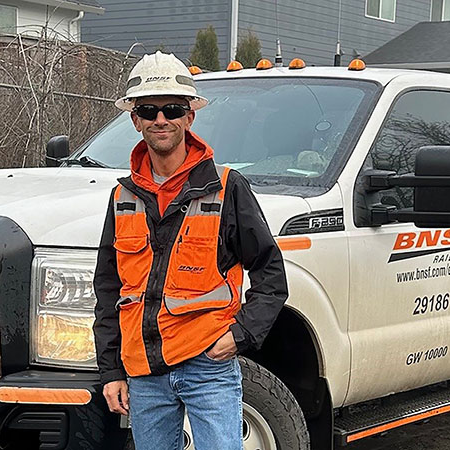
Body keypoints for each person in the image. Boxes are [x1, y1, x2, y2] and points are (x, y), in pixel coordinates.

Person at [93, 51, 288, 450]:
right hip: (144, 372)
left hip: (208, 364)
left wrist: (241, 335)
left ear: (189, 117)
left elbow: (270, 273)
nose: (160, 119)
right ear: (135, 120)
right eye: (148, 110)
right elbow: (108, 289)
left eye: (172, 109)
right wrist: (111, 370)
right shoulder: (122, 198)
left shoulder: (227, 188)